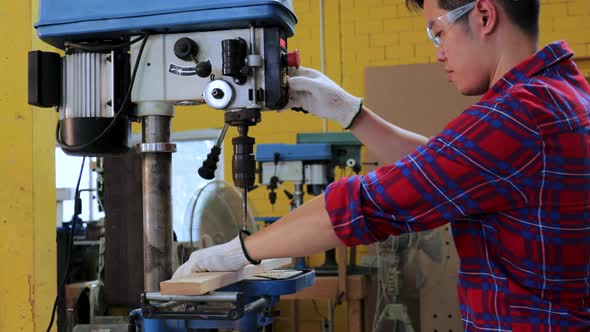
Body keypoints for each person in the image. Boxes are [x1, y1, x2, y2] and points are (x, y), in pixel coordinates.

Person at [174, 0, 590, 329]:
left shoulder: (515, 116)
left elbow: (364, 205)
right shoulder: (563, 92)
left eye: (438, 32)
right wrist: (351, 113)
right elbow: (443, 168)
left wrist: (237, 252)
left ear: (483, 15)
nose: (439, 53)